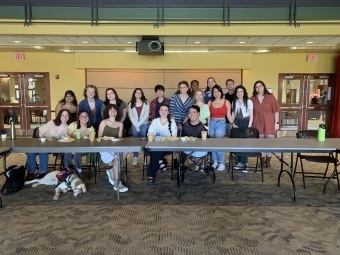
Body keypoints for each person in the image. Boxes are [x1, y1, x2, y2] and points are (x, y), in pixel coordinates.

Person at [25, 109, 71, 181]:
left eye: (67, 115)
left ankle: (42, 173)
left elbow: (67, 138)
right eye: (63, 115)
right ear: (59, 116)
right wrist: (43, 141)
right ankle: (30, 173)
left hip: (56, 146)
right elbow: (41, 131)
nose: (64, 117)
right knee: (31, 151)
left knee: (43, 151)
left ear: (69, 117)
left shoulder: (68, 128)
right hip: (43, 143)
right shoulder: (52, 122)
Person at [98, 104, 129, 192]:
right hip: (104, 147)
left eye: (114, 110)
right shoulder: (103, 122)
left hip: (115, 146)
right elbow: (99, 137)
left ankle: (112, 170)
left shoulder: (120, 124)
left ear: (117, 113)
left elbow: (119, 138)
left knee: (125, 151)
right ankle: (117, 182)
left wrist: (118, 140)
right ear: (108, 112)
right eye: (110, 110)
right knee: (118, 157)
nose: (112, 111)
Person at [250, 80, 281, 168]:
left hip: (269, 121)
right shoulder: (252, 98)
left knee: (269, 142)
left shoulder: (271, 97)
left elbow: (276, 111)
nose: (259, 88)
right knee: (260, 142)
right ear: (255, 88)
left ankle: (268, 160)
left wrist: (277, 123)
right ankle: (262, 160)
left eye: (260, 86)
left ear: (264, 87)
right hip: (257, 122)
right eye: (256, 87)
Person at [147, 104, 177, 184]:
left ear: (168, 112)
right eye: (162, 110)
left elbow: (174, 136)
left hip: (167, 146)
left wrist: (166, 139)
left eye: (166, 110)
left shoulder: (172, 122)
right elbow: (149, 133)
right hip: (155, 145)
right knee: (155, 149)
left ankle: (151, 176)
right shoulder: (154, 121)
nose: (163, 112)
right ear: (159, 111)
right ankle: (161, 161)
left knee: (155, 152)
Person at [208, 85, 233, 171]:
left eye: (218, 91)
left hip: (221, 123)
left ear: (221, 92)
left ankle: (221, 162)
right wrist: (207, 126)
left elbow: (228, 115)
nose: (216, 93)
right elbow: (208, 116)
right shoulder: (210, 102)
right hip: (211, 122)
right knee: (212, 143)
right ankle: (215, 161)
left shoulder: (226, 102)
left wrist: (233, 123)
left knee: (218, 142)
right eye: (214, 92)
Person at [64, 110, 95, 175]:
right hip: (71, 146)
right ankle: (67, 170)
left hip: (85, 148)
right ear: (79, 118)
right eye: (82, 116)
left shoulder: (91, 128)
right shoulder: (73, 125)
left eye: (86, 116)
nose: (84, 118)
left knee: (77, 153)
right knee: (67, 153)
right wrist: (72, 149)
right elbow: (67, 138)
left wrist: (88, 139)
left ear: (88, 117)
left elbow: (92, 141)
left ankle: (78, 171)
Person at [231, 85, 254, 170]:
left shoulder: (248, 101)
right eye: (238, 91)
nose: (239, 93)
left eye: (241, 91)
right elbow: (233, 114)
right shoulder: (234, 102)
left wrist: (249, 126)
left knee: (244, 144)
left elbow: (251, 115)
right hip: (237, 122)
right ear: (236, 93)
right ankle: (239, 162)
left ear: (244, 93)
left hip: (245, 122)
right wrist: (232, 124)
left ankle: (245, 164)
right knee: (237, 143)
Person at [181, 105, 208, 171]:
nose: (191, 114)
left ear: (198, 113)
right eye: (190, 112)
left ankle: (201, 164)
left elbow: (205, 143)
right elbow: (182, 139)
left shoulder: (202, 127)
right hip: (187, 149)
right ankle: (197, 163)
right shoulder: (185, 125)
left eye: (194, 112)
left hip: (200, 150)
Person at [128, 88, 149, 166]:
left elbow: (146, 115)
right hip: (134, 123)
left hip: (144, 123)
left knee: (144, 141)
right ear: (134, 94)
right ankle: (135, 157)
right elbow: (130, 115)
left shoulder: (146, 103)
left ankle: (145, 157)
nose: (138, 94)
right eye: (137, 92)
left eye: (140, 93)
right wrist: (136, 125)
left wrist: (138, 125)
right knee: (135, 141)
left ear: (142, 94)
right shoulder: (131, 103)